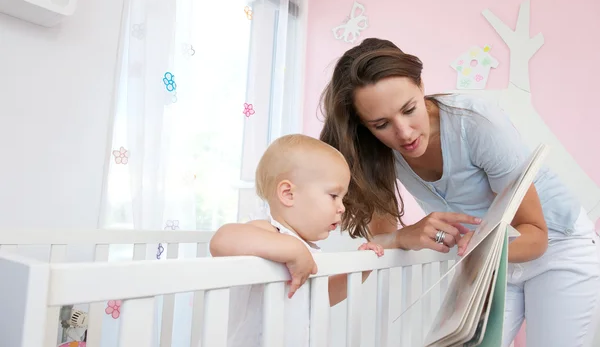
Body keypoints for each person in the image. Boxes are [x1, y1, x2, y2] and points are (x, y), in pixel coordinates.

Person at [318, 37, 600, 347]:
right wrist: (405, 235)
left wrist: (477, 246)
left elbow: (535, 235)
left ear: (421, 85)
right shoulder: (374, 154)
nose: (404, 132)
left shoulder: (476, 123)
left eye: (410, 109)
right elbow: (383, 242)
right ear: (364, 125)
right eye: (382, 123)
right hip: (486, 260)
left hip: (557, 247)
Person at [209, 133, 384, 347]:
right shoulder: (269, 231)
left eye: (343, 198)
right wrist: (291, 248)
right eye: (333, 196)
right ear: (288, 194)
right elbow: (221, 240)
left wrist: (359, 270)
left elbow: (321, 295)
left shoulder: (307, 251)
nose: (342, 207)